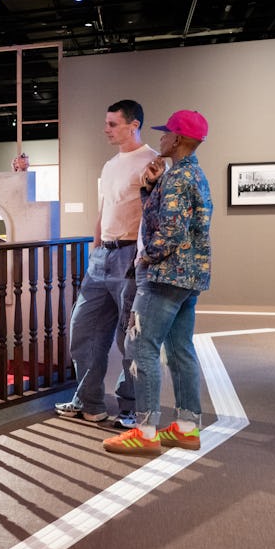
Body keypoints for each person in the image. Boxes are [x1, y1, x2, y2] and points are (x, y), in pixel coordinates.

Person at [104, 110, 212, 455]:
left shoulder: (178, 178)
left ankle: (145, 429)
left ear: (178, 139)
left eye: (166, 134)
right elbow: (166, 217)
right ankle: (186, 426)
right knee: (180, 349)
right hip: (188, 277)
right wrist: (150, 187)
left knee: (141, 347)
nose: (161, 139)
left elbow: (172, 231)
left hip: (164, 276)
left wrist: (146, 257)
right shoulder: (190, 174)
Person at [56, 100, 157, 427]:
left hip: (131, 255)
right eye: (107, 123)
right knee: (82, 327)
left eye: (112, 124)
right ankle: (89, 402)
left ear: (133, 125)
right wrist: (96, 242)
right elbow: (105, 207)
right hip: (102, 257)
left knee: (129, 337)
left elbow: (153, 213)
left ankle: (130, 407)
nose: (106, 129)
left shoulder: (152, 162)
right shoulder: (111, 164)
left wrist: (143, 256)